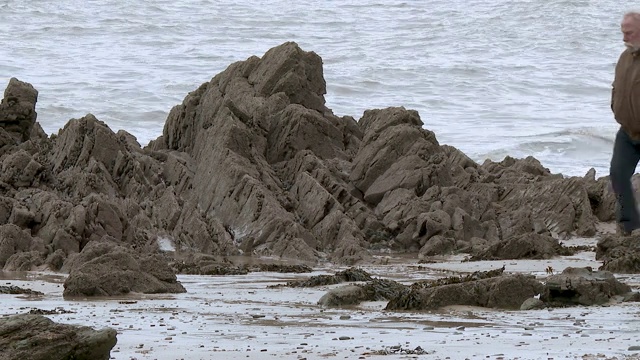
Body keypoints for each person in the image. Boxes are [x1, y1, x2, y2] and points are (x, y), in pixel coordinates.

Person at [610, 11, 640, 235]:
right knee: (618, 173)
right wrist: (615, 106)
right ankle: (630, 226)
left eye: (628, 33)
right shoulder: (624, 57)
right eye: (623, 33)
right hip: (628, 132)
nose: (624, 38)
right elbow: (617, 87)